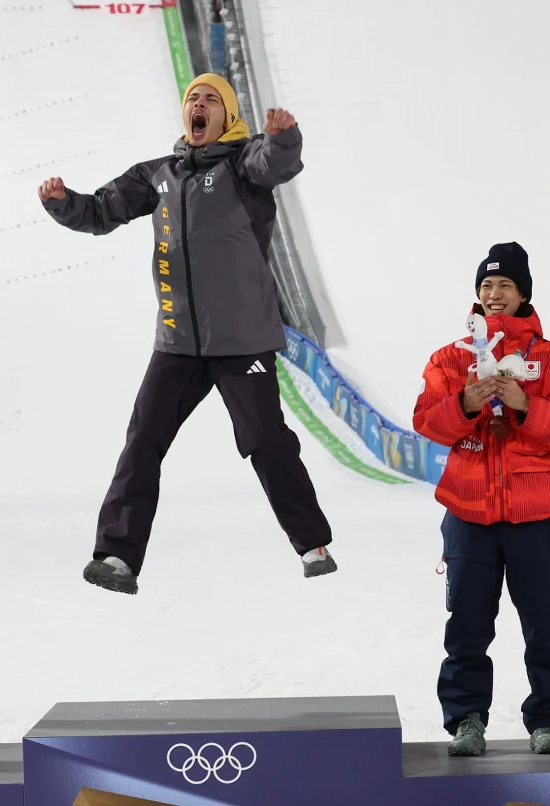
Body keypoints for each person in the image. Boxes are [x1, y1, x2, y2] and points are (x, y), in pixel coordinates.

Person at [37, 73, 335, 595]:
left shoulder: (244, 164)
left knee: (266, 441)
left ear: (227, 115)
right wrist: (65, 203)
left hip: (242, 343)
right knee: (143, 441)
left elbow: (277, 162)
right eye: (192, 99)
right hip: (177, 343)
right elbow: (102, 210)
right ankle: (116, 558)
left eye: (210, 100)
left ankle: (312, 544)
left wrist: (284, 138)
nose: (199, 105)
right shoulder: (158, 175)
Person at [413, 243, 550, 758]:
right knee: (466, 624)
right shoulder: (450, 358)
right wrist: (468, 401)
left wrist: (525, 404)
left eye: (505, 286)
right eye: (487, 286)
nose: (494, 295)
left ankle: (548, 721)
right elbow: (426, 420)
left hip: (538, 516)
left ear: (523, 293)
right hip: (468, 513)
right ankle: (467, 718)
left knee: (545, 623)